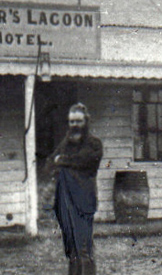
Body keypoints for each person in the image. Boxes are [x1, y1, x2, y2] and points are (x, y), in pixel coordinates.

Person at [44, 103, 103, 275]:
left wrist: (62, 161)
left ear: (86, 121)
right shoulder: (65, 143)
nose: (74, 125)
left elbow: (87, 160)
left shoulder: (94, 143)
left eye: (78, 121)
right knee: (71, 248)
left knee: (84, 247)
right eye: (71, 122)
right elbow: (49, 163)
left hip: (84, 199)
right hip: (65, 200)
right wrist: (63, 161)